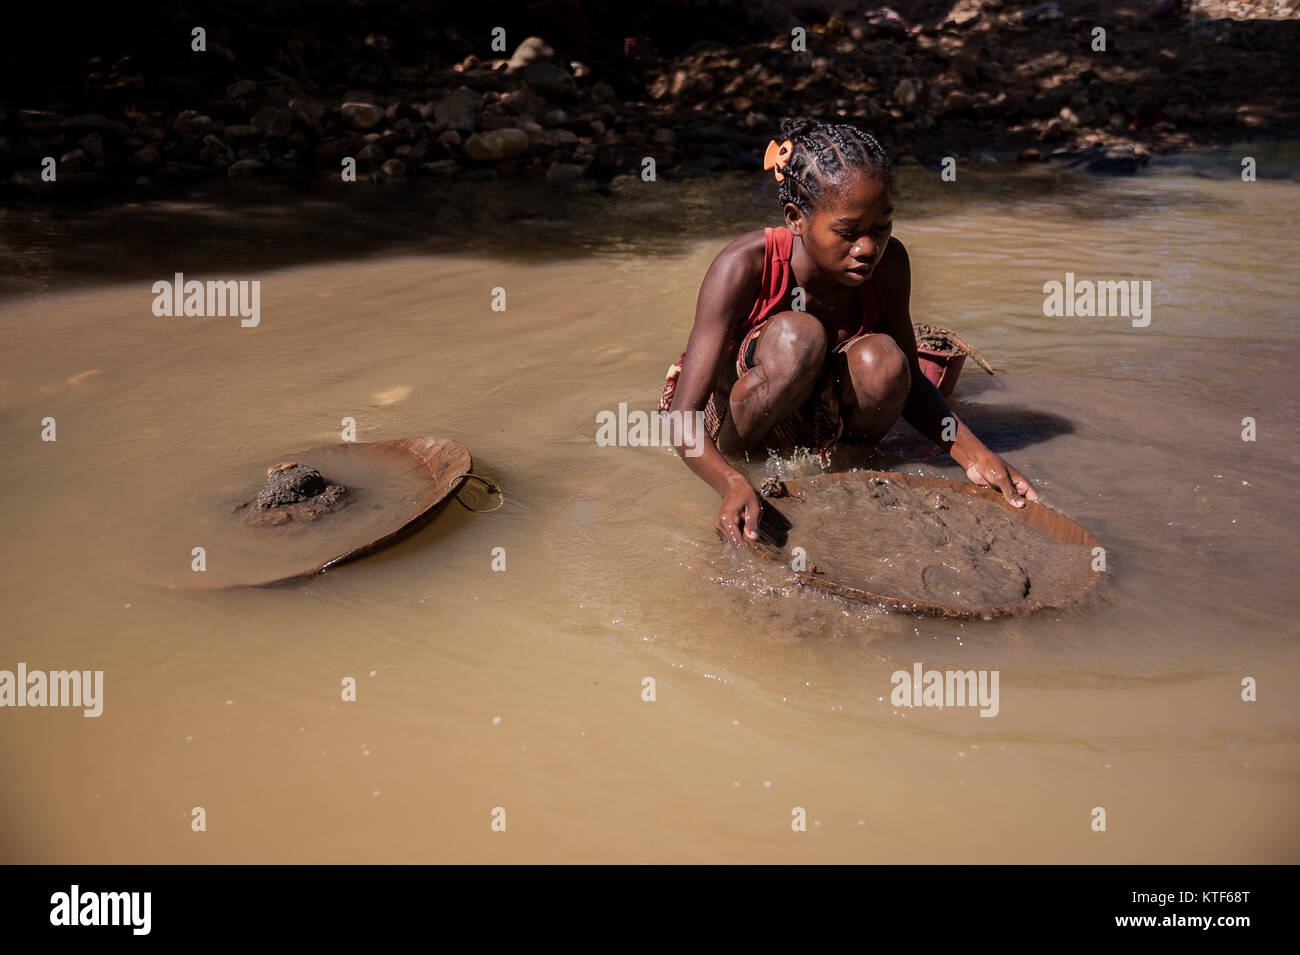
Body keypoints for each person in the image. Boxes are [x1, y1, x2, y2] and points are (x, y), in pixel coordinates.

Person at [657, 116, 1039, 546]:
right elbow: (680, 416)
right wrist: (729, 481)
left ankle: (847, 465)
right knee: (798, 338)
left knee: (887, 360)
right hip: (736, 418)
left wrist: (977, 455)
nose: (867, 249)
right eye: (846, 232)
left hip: (821, 412)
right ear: (796, 218)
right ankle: (746, 466)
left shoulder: (890, 264)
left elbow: (911, 384)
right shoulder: (744, 265)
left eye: (881, 227)